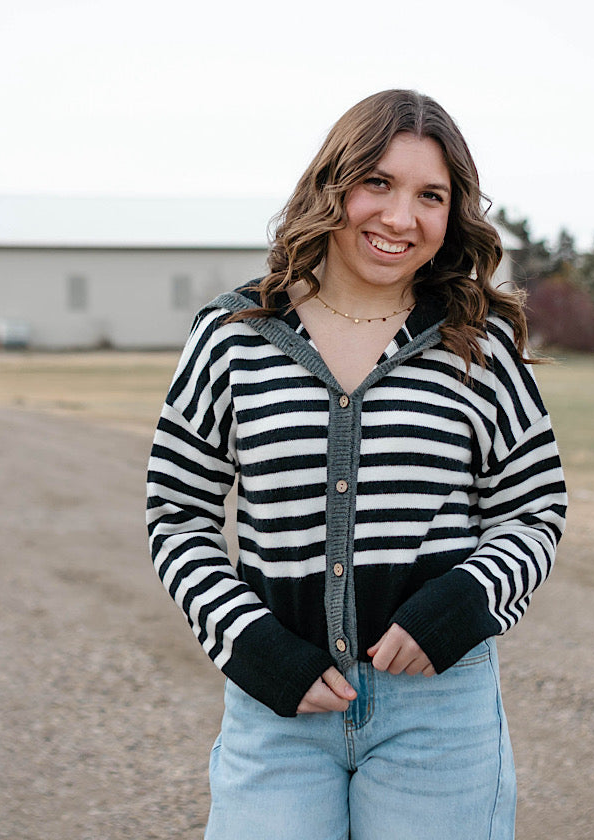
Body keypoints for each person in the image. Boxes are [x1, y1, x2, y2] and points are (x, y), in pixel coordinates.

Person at [146, 89, 567, 840]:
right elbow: (176, 515)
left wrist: (465, 603)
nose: (400, 218)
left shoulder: (479, 344)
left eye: (429, 196)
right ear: (332, 185)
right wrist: (250, 642)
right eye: (378, 183)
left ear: (453, 213)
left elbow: (535, 509)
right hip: (277, 711)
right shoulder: (232, 335)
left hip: (441, 713)